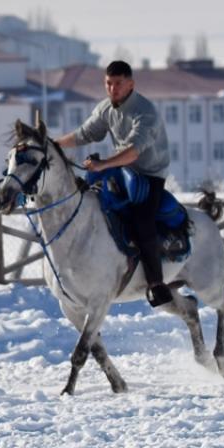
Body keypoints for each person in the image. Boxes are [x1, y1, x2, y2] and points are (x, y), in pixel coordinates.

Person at [54, 60, 175, 308]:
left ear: (131, 84)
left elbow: (133, 151)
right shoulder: (105, 109)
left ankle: (156, 283)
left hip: (150, 174)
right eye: (108, 83)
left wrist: (103, 165)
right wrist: (53, 144)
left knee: (142, 220)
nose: (113, 89)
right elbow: (84, 134)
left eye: (118, 83)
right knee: (90, 201)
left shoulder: (145, 112)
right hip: (122, 169)